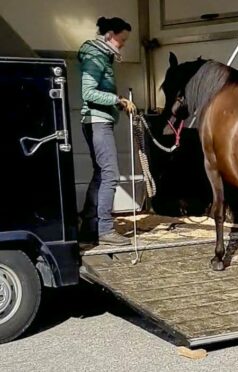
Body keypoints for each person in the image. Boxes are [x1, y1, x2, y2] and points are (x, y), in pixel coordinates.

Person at [78, 16, 136, 246]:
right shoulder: (95, 58)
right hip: (98, 123)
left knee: (100, 174)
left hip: (96, 121)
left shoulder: (100, 55)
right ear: (110, 35)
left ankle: (89, 227)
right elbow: (88, 93)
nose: (122, 45)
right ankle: (104, 230)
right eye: (121, 40)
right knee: (110, 174)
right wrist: (117, 100)